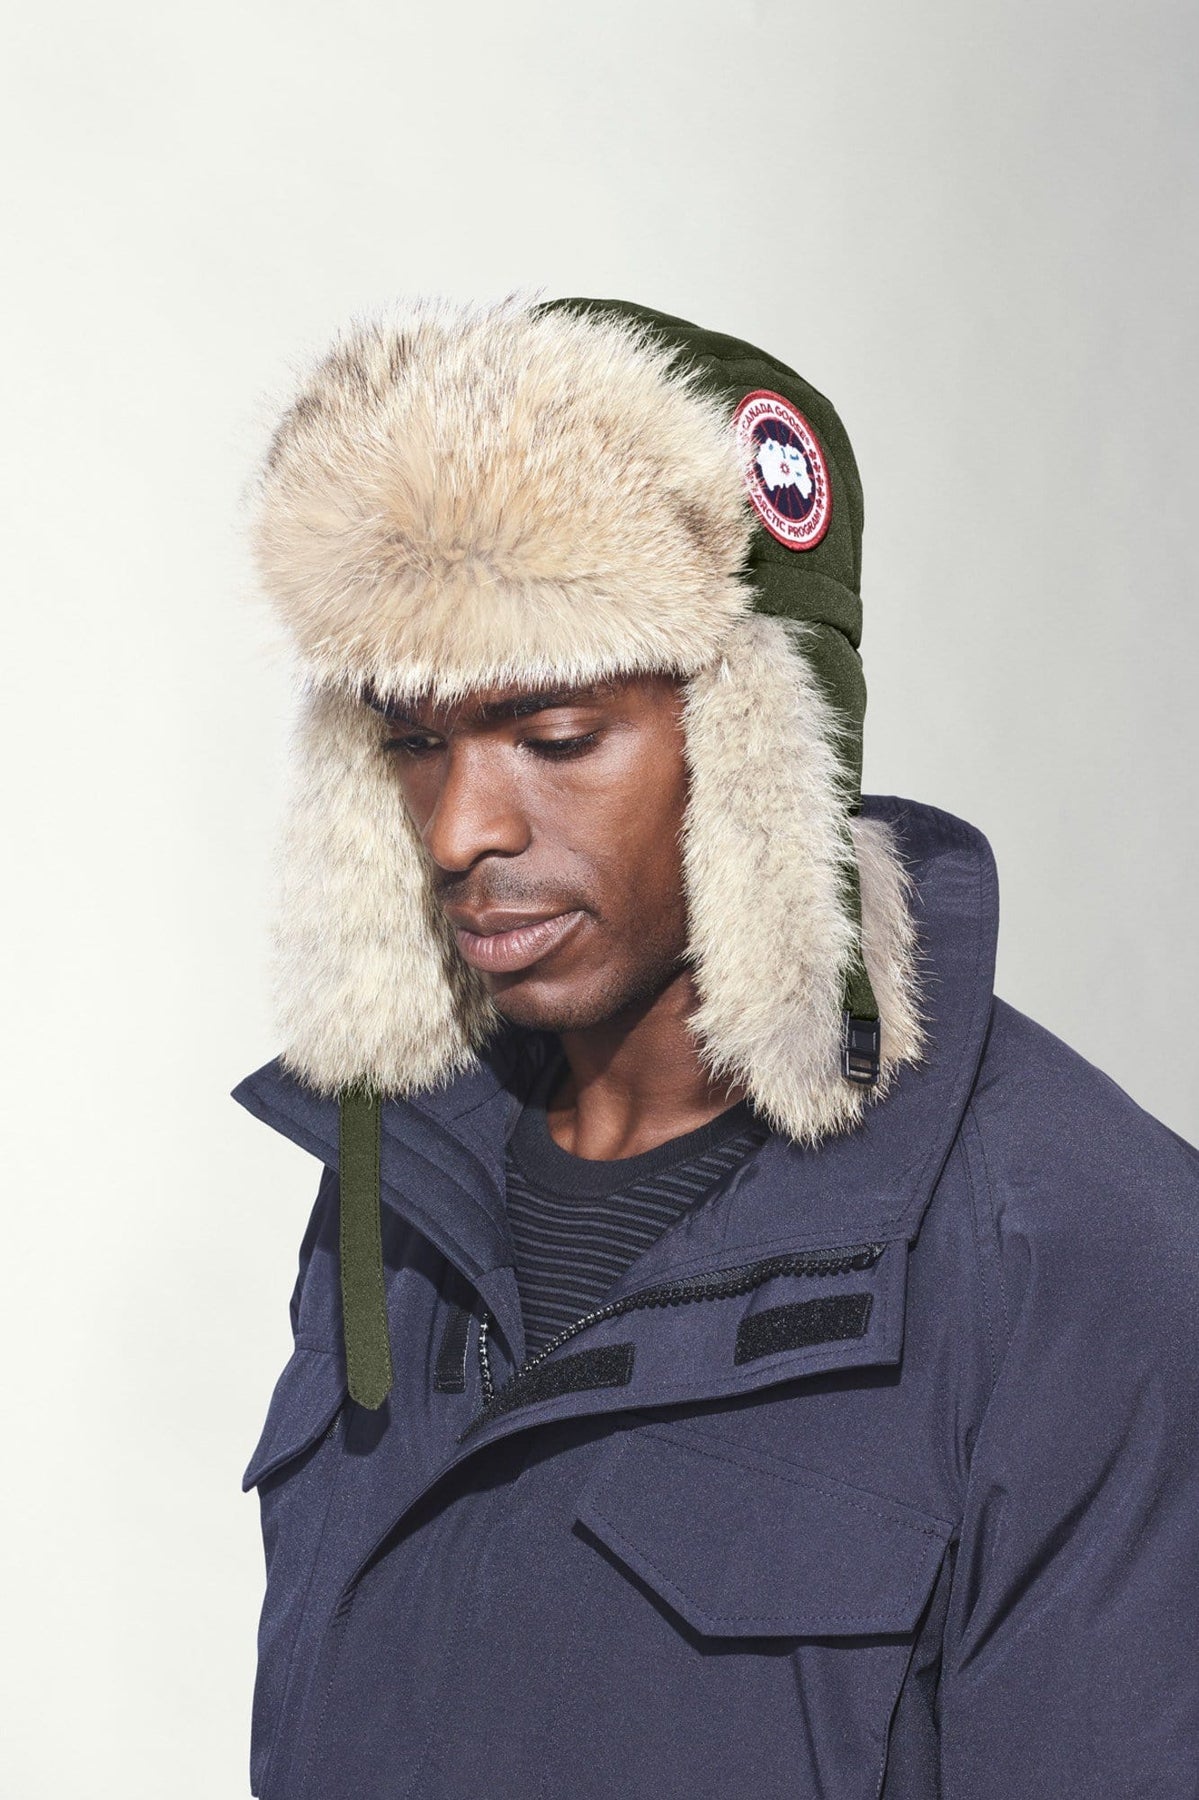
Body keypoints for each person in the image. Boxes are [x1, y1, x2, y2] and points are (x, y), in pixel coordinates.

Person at [233, 294, 1199, 1799]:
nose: (461, 827)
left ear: (760, 742)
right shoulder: (402, 1188)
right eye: (413, 741)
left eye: (555, 736)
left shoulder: (1082, 1251)